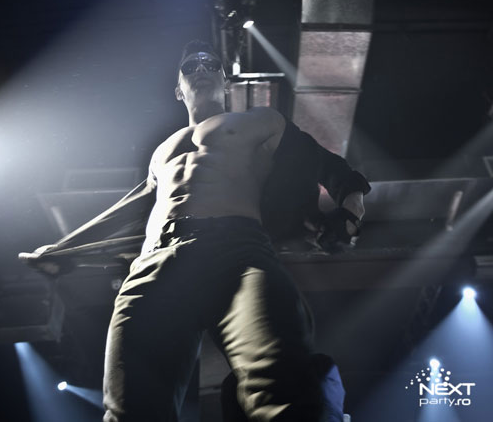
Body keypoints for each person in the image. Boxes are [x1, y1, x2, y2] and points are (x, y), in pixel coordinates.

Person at [20, 40, 370, 421]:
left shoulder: (258, 122)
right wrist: (61, 249)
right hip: (156, 264)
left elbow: (324, 163)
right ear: (178, 89)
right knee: (129, 409)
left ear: (225, 81)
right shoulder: (161, 152)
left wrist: (351, 210)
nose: (201, 69)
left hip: (238, 252)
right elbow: (128, 208)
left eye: (211, 64)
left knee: (283, 390)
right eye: (190, 67)